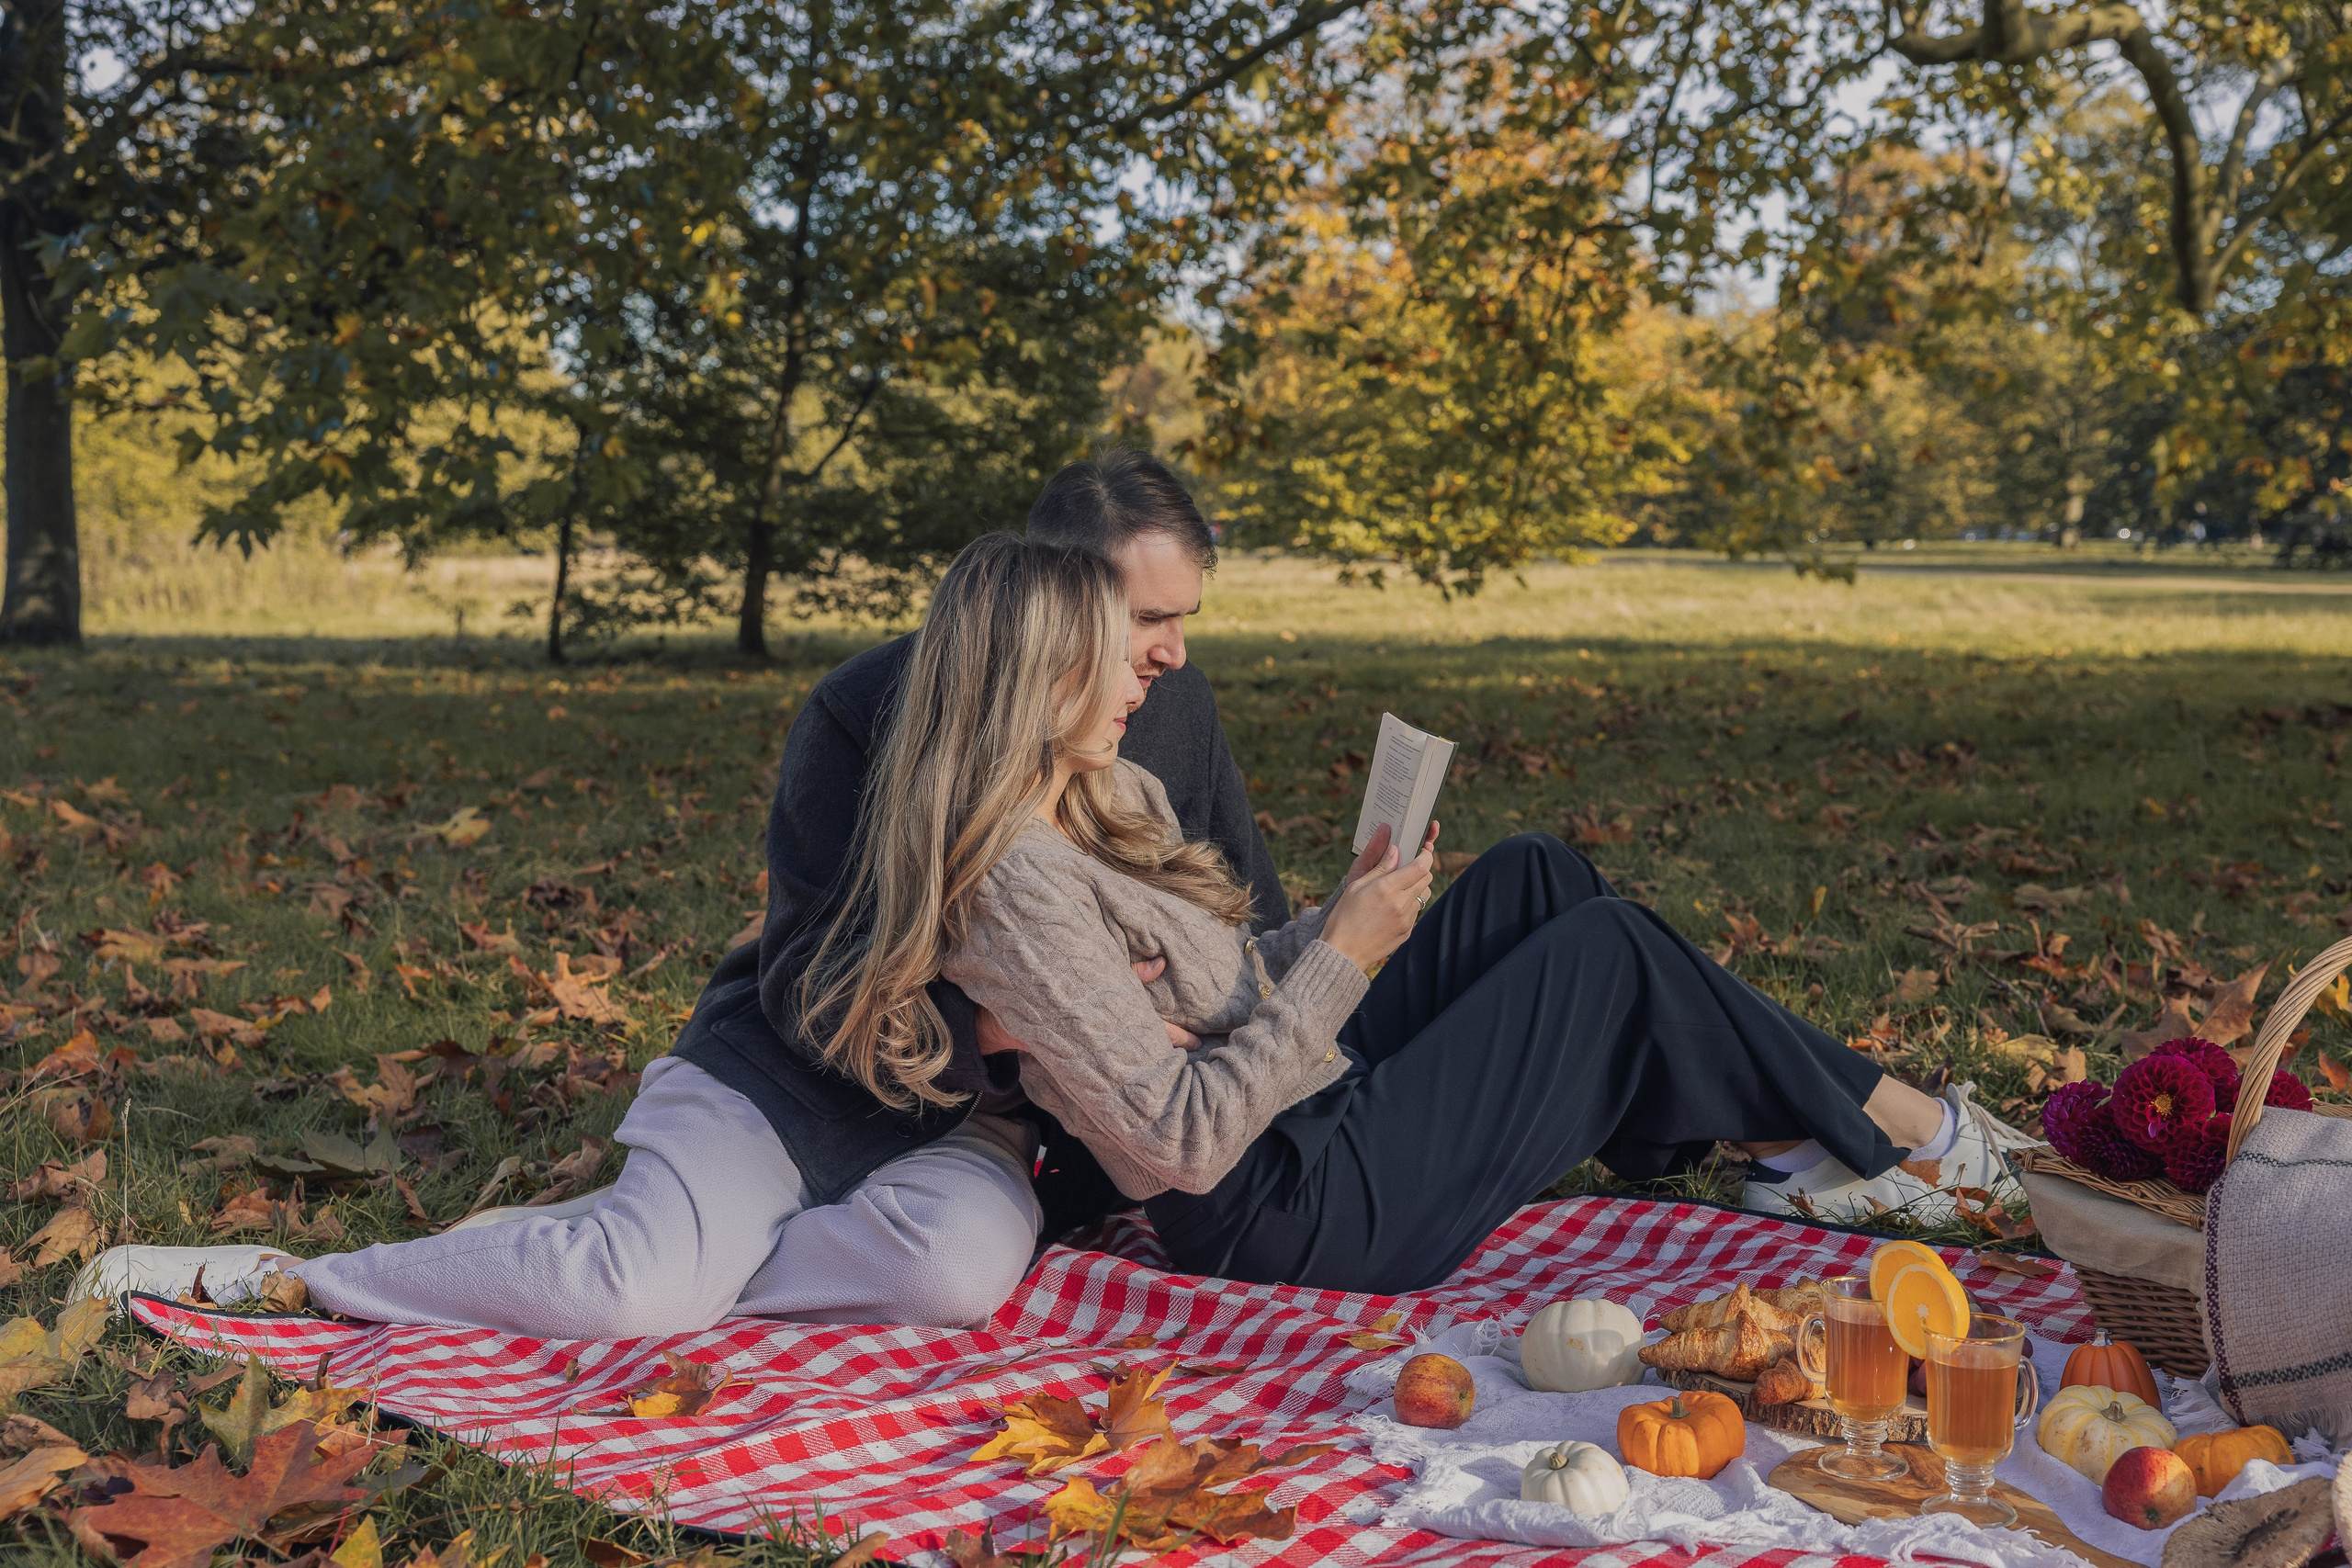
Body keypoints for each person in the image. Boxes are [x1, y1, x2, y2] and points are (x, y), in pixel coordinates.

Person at [75, 453, 1283, 1332]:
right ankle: (285, 1278)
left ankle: (648, 1263)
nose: (1166, 651)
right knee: (629, 1289)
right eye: (1143, 618)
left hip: (974, 1127)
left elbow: (1241, 916)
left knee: (949, 1283)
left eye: (1180, 618)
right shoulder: (867, 713)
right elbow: (813, 974)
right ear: (1041, 598)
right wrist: (1004, 1022)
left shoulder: (1166, 710)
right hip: (796, 1085)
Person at [808, 533, 2029, 1298]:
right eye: (1120, 648)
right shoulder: (1014, 881)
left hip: (1299, 1094)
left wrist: (1336, 921)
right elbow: (1178, 1148)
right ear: (1036, 673)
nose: (1154, 668)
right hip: (1291, 1207)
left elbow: (1224, 982)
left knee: (1538, 875)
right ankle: (1895, 1139)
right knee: (1602, 958)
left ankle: (1806, 1146)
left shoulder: (1098, 787)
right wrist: (1342, 959)